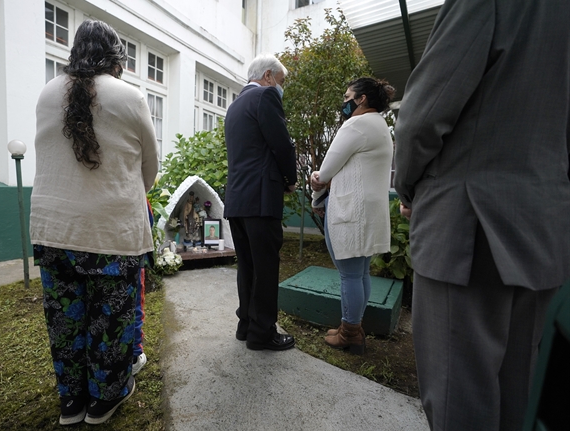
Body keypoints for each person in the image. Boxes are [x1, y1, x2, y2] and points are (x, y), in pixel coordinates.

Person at [393, 1, 570, 430]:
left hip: (470, 226)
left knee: (460, 400)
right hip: (543, 228)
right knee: (515, 399)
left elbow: (423, 115)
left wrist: (409, 186)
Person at [30, 20, 159, 426]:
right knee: (110, 319)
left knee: (66, 319)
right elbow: (149, 170)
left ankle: (71, 402)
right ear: (116, 57)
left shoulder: (47, 92)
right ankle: (104, 401)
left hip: (54, 229)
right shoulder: (130, 96)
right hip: (111, 231)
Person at [311, 77, 395, 354]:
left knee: (349, 274)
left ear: (362, 99)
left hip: (352, 212)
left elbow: (326, 169)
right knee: (360, 273)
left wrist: (317, 178)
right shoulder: (380, 125)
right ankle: (353, 326)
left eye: (348, 97)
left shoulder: (357, 124)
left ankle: (350, 333)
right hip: (369, 211)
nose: (344, 102)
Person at [224, 53, 297, 351]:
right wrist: (290, 179)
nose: (280, 88)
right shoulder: (266, 96)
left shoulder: (235, 105)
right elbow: (281, 143)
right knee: (265, 268)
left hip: (238, 199)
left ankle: (246, 324)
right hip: (261, 198)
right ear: (268, 76)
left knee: (248, 267)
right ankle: (262, 333)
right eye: (280, 81)